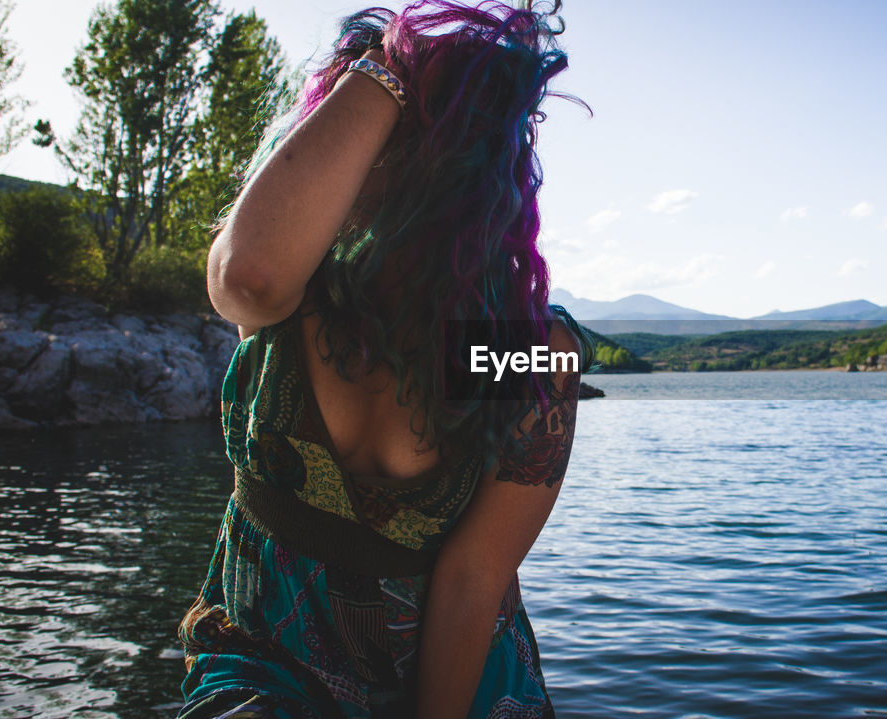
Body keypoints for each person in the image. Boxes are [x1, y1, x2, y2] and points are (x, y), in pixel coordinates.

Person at [176, 2, 590, 717]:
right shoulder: (291, 300)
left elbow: (473, 576)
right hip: (264, 669)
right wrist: (393, 68)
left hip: (461, 684)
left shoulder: (516, 353)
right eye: (347, 115)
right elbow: (248, 274)